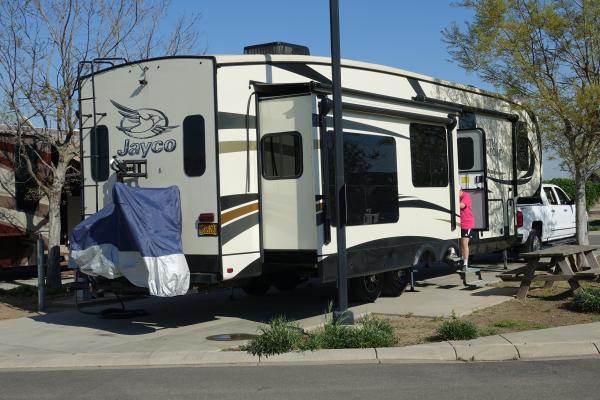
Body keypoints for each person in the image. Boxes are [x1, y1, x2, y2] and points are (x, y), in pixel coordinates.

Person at [459, 187, 475, 272]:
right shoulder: (457, 197)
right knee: (459, 243)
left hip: (466, 223)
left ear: (460, 190)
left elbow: (462, 205)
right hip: (458, 224)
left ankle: (465, 264)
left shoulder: (466, 196)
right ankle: (461, 259)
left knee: (464, 243)